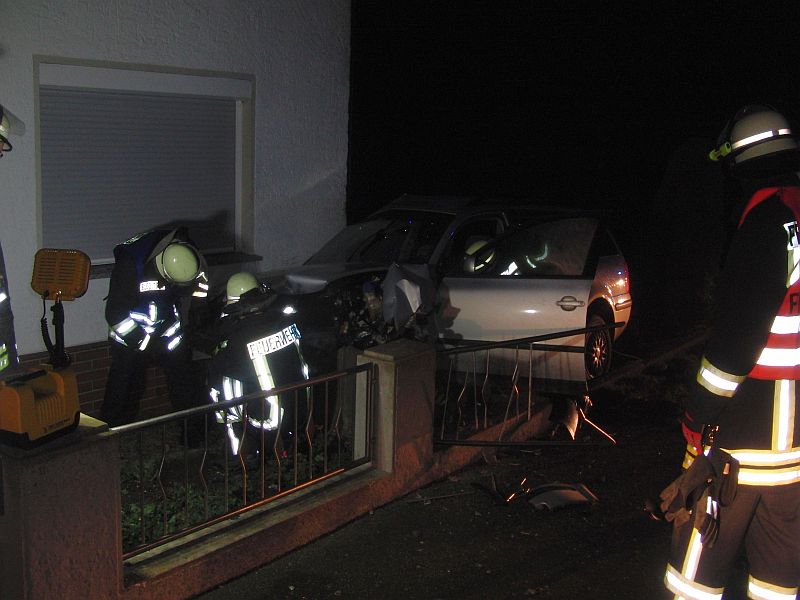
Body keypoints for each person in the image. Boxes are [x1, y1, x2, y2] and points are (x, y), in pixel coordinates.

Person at [662, 105, 800, 599]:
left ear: (740, 163)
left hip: (740, 448)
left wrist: (697, 417)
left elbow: (736, 343)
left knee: (693, 579)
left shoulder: (766, 223)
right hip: (795, 458)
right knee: (778, 584)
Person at [100, 226, 210, 432]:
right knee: (122, 387)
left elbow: (201, 288)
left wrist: (197, 313)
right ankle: (108, 436)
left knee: (184, 381)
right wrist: (145, 342)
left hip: (168, 331)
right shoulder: (130, 264)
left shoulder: (190, 257)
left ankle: (193, 434)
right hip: (130, 336)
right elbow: (115, 313)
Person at [205, 272, 311, 461]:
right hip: (302, 409)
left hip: (270, 421)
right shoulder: (286, 321)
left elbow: (219, 365)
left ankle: (241, 456)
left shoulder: (241, 338)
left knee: (222, 384)